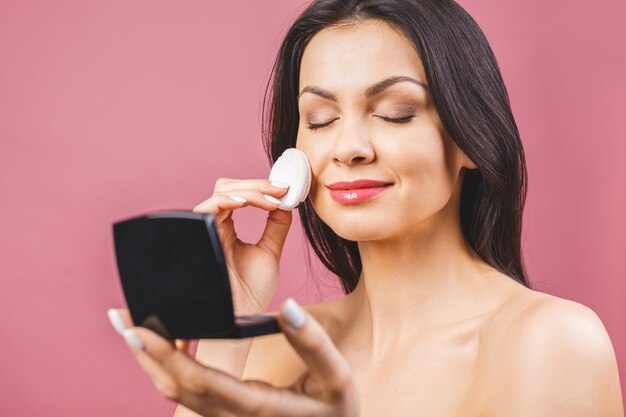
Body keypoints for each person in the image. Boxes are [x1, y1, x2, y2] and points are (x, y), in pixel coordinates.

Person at [107, 0, 624, 416]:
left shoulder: (551, 345)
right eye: (320, 118)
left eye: (395, 113)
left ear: (471, 137)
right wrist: (227, 330)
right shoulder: (269, 351)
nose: (347, 147)